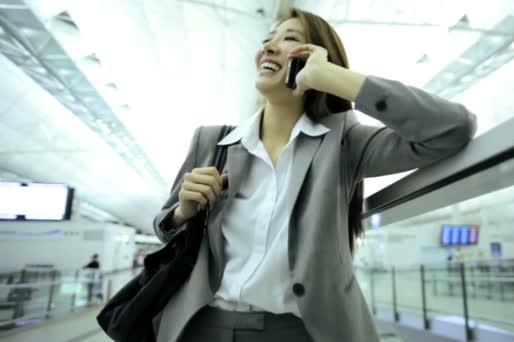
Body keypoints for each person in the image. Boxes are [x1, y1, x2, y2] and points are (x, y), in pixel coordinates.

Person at [152, 8, 476, 342]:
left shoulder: (342, 143)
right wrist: (182, 213)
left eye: (289, 39)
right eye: (267, 40)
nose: (270, 47)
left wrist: (335, 78)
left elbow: (452, 128)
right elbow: (163, 227)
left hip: (298, 331)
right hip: (202, 327)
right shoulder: (211, 142)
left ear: (313, 60)